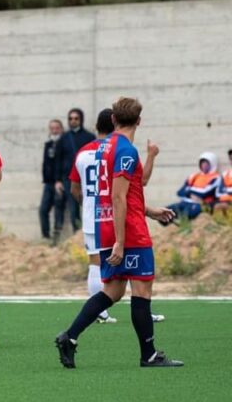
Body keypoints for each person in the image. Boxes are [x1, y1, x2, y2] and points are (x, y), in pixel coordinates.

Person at [55, 97, 183, 369]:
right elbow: (118, 197)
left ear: (113, 120)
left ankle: (70, 336)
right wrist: (121, 243)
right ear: (139, 121)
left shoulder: (102, 147)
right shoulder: (125, 150)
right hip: (128, 233)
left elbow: (123, 194)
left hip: (107, 227)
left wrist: (149, 210)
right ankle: (148, 355)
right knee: (142, 290)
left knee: (112, 292)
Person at [69, 109, 117, 324]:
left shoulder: (83, 152)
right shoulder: (116, 150)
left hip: (91, 216)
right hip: (114, 216)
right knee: (129, 263)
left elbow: (74, 189)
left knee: (95, 263)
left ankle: (99, 312)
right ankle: (141, 307)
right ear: (115, 126)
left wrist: (87, 202)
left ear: (97, 126)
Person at [55, 108, 95, 233]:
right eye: (70, 119)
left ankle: (88, 232)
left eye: (76, 118)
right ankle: (76, 234)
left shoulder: (90, 137)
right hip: (69, 178)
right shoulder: (63, 138)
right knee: (73, 208)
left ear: (81, 120)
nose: (73, 121)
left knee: (90, 206)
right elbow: (58, 160)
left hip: (87, 178)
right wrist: (58, 180)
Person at [164, 152, 224, 222]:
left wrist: (190, 191)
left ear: (212, 164)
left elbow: (204, 193)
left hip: (201, 204)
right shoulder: (194, 176)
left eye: (206, 163)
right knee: (166, 211)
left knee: (189, 213)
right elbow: (180, 192)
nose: (203, 165)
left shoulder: (216, 177)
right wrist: (192, 193)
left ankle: (185, 226)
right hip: (187, 202)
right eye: (202, 163)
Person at [40, 119, 65, 243]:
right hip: (48, 183)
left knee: (58, 210)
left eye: (57, 128)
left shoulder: (64, 144)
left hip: (59, 182)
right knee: (43, 209)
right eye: (52, 128)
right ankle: (46, 237)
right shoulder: (48, 144)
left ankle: (57, 238)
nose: (54, 130)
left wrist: (59, 180)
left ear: (61, 129)